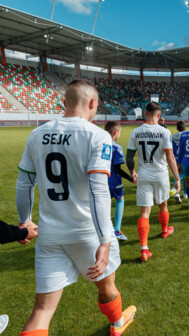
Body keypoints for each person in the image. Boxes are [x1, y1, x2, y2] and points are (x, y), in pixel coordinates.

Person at [16, 79, 135, 336]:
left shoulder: (36, 134)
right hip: (87, 234)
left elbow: (24, 183)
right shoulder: (97, 135)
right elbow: (98, 189)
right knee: (106, 287)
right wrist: (106, 239)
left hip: (50, 236)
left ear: (64, 103)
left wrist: (24, 220)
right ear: (93, 103)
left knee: (42, 311)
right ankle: (116, 324)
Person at [126, 102, 180, 262]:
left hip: (143, 174)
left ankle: (144, 248)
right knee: (163, 205)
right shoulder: (164, 132)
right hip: (160, 175)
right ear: (158, 115)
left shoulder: (136, 132)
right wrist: (177, 178)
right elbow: (170, 157)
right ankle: (164, 230)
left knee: (144, 212)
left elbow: (129, 157)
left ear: (145, 114)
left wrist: (132, 173)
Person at [104, 121, 137, 241]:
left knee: (104, 204)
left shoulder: (98, 144)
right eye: (119, 133)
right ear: (114, 132)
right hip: (114, 181)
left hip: (101, 181)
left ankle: (104, 229)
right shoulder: (117, 147)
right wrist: (130, 178)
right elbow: (117, 169)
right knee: (120, 200)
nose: (119, 136)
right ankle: (117, 230)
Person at [172, 121, 187, 203]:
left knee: (176, 176)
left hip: (175, 159)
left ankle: (176, 193)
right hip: (184, 158)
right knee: (185, 176)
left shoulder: (172, 137)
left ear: (177, 128)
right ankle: (185, 193)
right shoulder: (186, 136)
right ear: (185, 128)